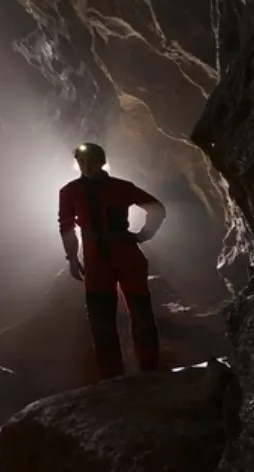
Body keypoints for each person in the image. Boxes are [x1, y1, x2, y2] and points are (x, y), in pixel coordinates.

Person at [58, 142, 168, 378]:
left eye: (91, 161)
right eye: (82, 161)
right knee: (101, 320)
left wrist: (144, 235)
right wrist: (72, 258)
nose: (86, 166)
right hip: (101, 259)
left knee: (140, 313)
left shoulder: (119, 188)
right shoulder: (71, 192)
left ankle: (148, 371)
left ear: (101, 161)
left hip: (121, 256)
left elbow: (157, 208)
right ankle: (113, 377)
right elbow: (66, 226)